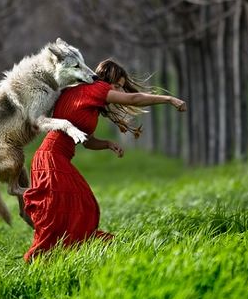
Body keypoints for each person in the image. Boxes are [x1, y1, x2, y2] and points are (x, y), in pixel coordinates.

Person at [22, 58, 187, 262]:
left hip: (49, 158)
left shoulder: (81, 93)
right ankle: (40, 257)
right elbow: (134, 99)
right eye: (117, 85)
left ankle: (62, 256)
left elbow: (86, 141)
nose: (119, 90)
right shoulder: (98, 88)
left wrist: (108, 144)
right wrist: (169, 100)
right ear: (108, 79)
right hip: (52, 159)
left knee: (70, 210)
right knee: (78, 207)